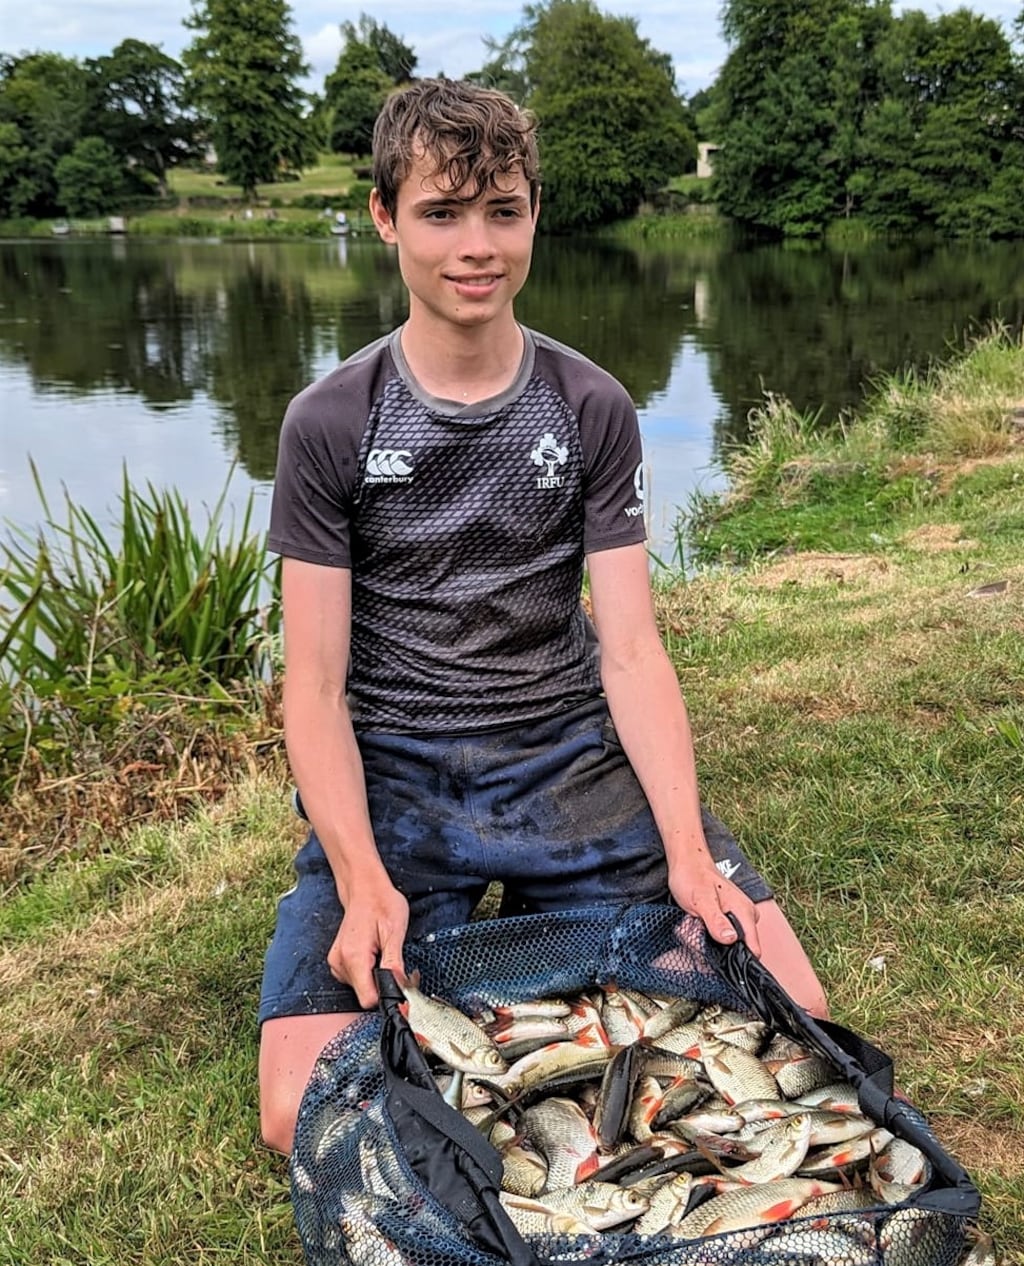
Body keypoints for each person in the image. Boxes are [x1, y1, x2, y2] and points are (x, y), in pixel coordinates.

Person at [258, 78, 829, 1156]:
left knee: (794, 1014)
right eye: (440, 213)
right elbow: (316, 689)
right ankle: (489, 924)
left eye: (502, 211)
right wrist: (362, 878)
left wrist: (684, 850)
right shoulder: (327, 421)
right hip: (397, 769)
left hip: (567, 755)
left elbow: (630, 651)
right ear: (384, 218)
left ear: (533, 216)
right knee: (299, 1113)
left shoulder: (590, 404)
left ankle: (546, 913)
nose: (476, 246)